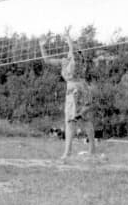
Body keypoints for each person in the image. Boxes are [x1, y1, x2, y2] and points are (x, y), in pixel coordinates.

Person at [40, 27, 96, 159]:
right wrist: (42, 46)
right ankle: (86, 151)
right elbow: (47, 60)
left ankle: (70, 153)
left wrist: (68, 38)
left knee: (74, 121)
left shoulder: (78, 58)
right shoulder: (65, 61)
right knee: (81, 120)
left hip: (76, 90)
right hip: (81, 89)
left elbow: (73, 52)